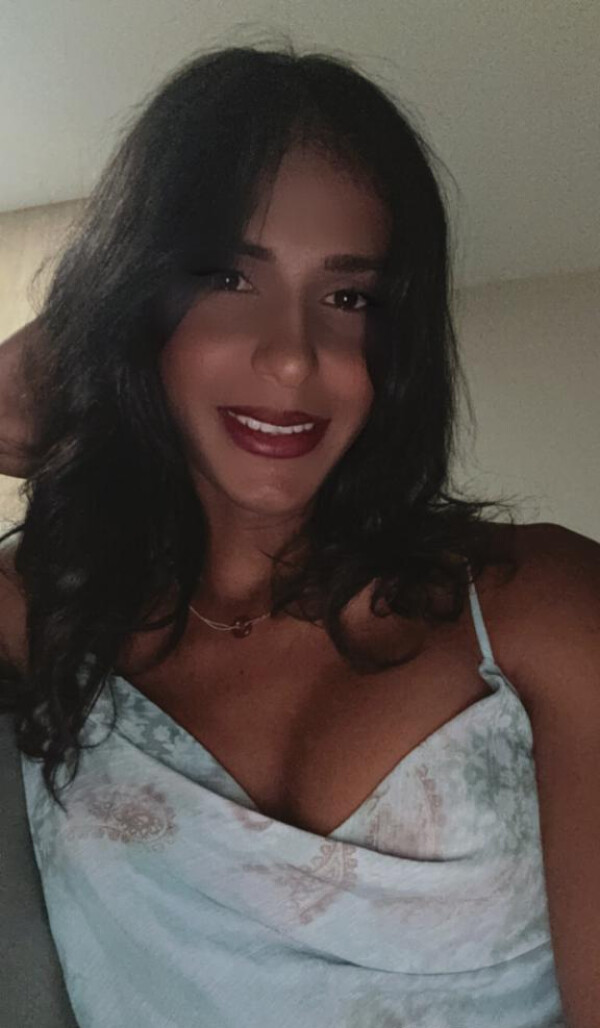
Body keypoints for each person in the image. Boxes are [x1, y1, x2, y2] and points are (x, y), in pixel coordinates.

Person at [0, 41, 598, 1028]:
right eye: (228, 279)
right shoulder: (47, 608)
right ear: (133, 300)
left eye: (349, 296)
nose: (291, 356)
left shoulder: (544, 603)